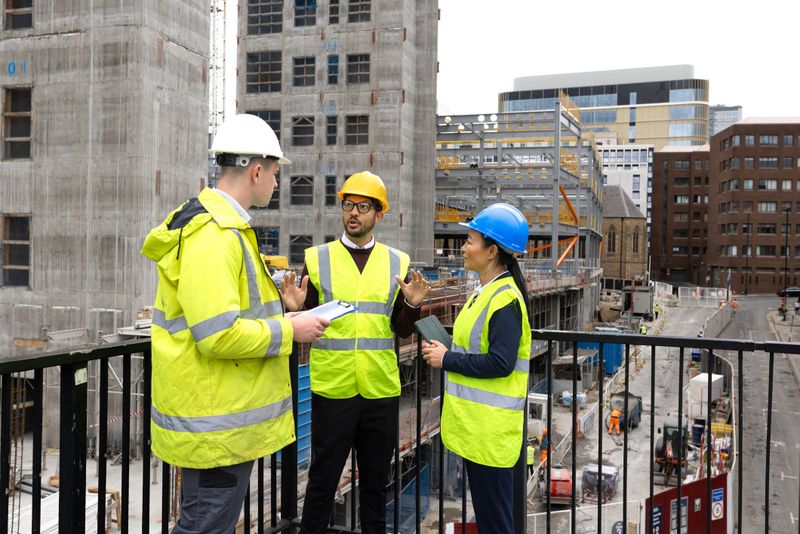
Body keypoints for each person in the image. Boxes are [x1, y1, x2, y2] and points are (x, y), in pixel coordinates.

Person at [141, 114, 330, 533]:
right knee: (205, 527)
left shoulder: (225, 228)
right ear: (257, 170)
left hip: (219, 419)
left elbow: (231, 316)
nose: (277, 184)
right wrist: (289, 331)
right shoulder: (214, 235)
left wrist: (287, 316)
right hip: (215, 427)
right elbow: (217, 334)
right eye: (276, 173)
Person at [280, 171, 430, 534]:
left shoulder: (397, 261)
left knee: (376, 488)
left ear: (379, 214)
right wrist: (295, 309)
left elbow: (400, 328)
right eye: (349, 205)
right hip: (333, 388)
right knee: (322, 484)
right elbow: (305, 326)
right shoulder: (317, 259)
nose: (354, 213)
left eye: (364, 207)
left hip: (380, 390)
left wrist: (411, 306)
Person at [421, 203, 532, 533]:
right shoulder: (487, 291)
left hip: (491, 434)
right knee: (490, 520)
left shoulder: (504, 300)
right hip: (479, 431)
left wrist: (446, 359)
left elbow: (500, 362)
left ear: (492, 251)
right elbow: (475, 345)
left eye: (470, 240)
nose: (463, 248)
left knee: (496, 524)